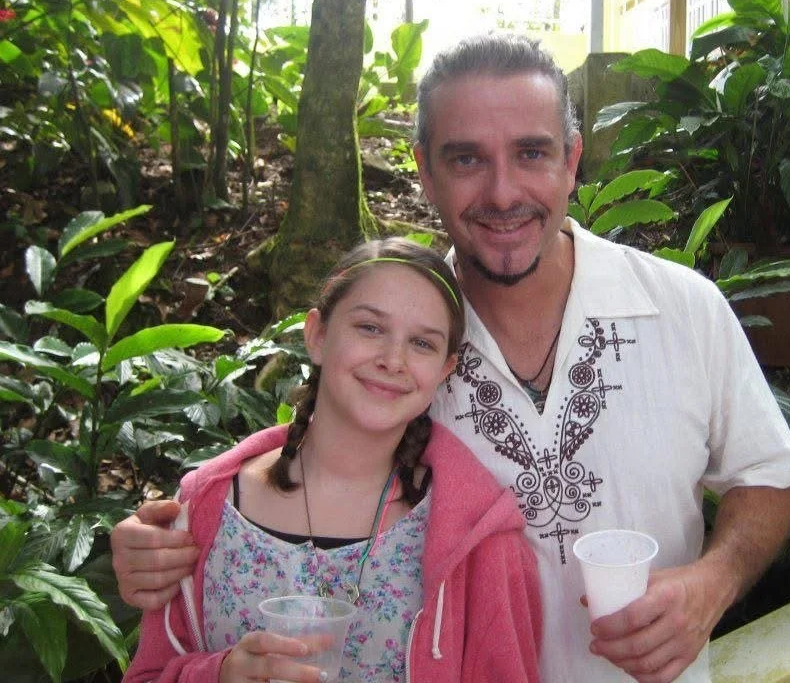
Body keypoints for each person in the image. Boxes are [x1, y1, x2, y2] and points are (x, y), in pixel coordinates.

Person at [112, 35, 790, 683]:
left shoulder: (683, 308)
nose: (502, 193)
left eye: (531, 153)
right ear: (424, 171)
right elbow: (304, 463)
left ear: (572, 158)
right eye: (467, 158)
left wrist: (716, 581)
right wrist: (175, 531)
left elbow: (764, 475)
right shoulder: (401, 350)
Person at [121, 238, 542, 683]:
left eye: (421, 343)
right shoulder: (204, 511)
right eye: (370, 328)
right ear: (318, 335)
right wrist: (218, 675)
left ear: (444, 369)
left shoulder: (476, 537)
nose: (392, 360)